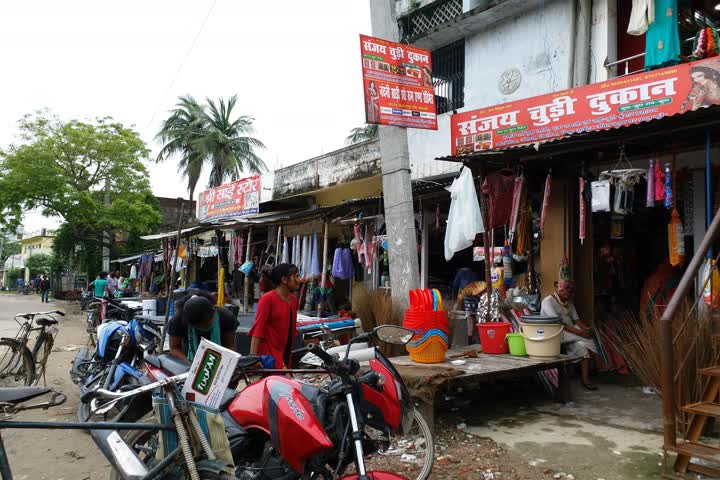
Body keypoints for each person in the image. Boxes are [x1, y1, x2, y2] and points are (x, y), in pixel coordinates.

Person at [540, 281, 600, 390]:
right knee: (587, 337)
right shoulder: (548, 301)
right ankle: (598, 361)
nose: (570, 296)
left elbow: (576, 320)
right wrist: (580, 332)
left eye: (571, 293)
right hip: (555, 333)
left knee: (582, 347)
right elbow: (558, 323)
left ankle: (585, 379)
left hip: (570, 332)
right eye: (568, 293)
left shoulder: (568, 301)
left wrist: (585, 328)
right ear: (561, 290)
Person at [248, 264, 301, 370]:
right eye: (296, 276)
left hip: (286, 351)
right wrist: (253, 357)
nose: (299, 280)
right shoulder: (267, 299)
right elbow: (258, 329)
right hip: (270, 352)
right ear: (284, 279)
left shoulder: (293, 300)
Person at [167, 291, 238, 361]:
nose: (203, 328)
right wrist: (191, 365)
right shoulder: (178, 320)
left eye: (206, 324)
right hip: (188, 358)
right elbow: (174, 348)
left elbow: (230, 346)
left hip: (221, 358)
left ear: (213, 313)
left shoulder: (226, 317)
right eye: (198, 326)